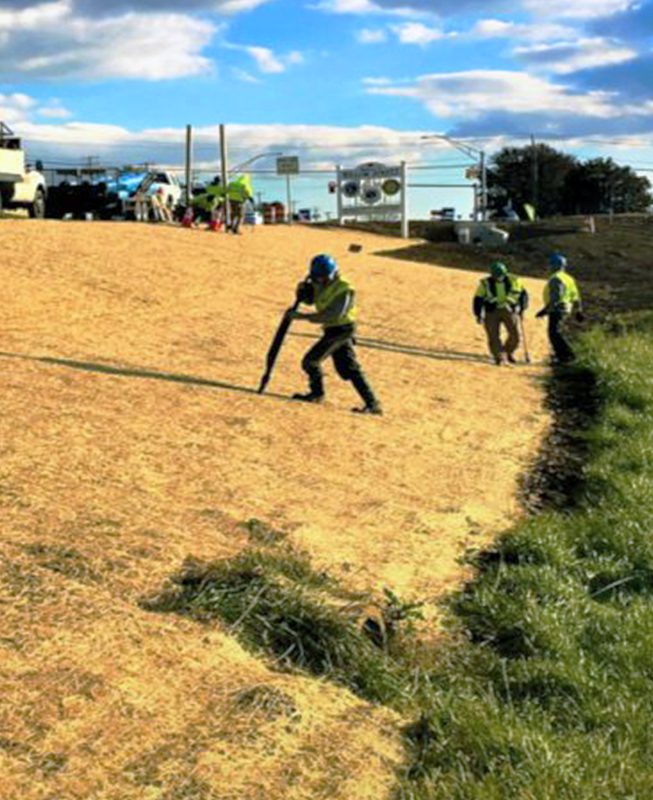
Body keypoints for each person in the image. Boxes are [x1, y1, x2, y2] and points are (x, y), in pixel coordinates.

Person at [289, 253, 382, 415]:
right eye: (317, 279)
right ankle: (372, 403)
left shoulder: (345, 289)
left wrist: (302, 317)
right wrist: (302, 293)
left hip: (342, 329)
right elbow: (312, 299)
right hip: (332, 329)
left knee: (311, 361)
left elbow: (332, 315)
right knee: (349, 368)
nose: (320, 282)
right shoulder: (317, 280)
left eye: (324, 278)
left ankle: (317, 393)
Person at [473, 261, 528, 365]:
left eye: (501, 275)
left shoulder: (515, 280)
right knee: (493, 336)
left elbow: (523, 296)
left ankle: (508, 352)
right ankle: (499, 356)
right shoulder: (485, 283)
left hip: (509, 311)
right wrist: (478, 314)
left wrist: (522, 309)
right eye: (496, 275)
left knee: (515, 335)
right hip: (491, 312)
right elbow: (478, 299)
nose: (498, 277)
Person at [535, 252, 583, 364]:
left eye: (550, 264)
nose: (549, 267)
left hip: (558, 309)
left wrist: (545, 310)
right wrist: (578, 311)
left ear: (553, 265)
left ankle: (566, 356)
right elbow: (576, 296)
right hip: (566, 308)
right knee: (557, 332)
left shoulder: (556, 279)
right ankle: (563, 356)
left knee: (554, 333)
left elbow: (556, 297)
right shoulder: (569, 278)